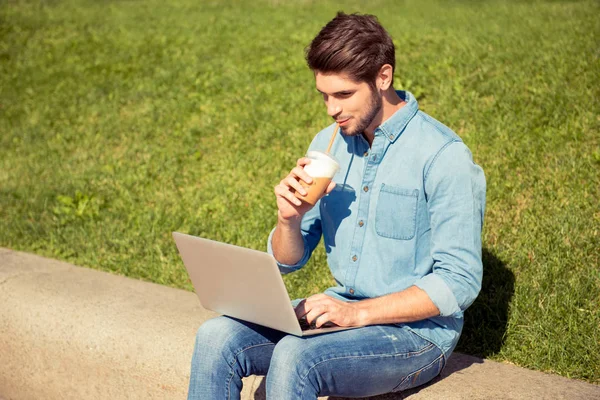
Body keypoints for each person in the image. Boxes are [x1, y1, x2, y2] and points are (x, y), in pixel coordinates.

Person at [187, 11, 486, 400]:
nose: (331, 109)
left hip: (416, 334)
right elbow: (288, 259)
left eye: (343, 95)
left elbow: (459, 281)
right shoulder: (327, 144)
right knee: (216, 337)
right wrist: (288, 220)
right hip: (342, 311)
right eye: (324, 96)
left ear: (383, 77)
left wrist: (359, 314)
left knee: (297, 357)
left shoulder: (443, 156)